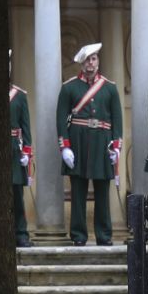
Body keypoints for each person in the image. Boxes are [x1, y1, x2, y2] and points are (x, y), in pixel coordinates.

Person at [56, 42, 122, 245]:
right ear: (81, 64)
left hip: (102, 143)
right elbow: (61, 119)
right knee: (78, 192)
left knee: (102, 192)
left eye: (93, 59)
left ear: (98, 61)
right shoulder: (69, 88)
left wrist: (116, 146)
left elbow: (117, 120)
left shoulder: (110, 88)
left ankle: (104, 235)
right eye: (86, 60)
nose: (90, 64)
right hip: (78, 143)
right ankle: (78, 235)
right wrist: (65, 147)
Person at [9, 53, 34, 248]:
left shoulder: (19, 96)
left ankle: (21, 232)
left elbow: (26, 127)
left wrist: (26, 151)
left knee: (17, 193)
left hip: (13, 150)